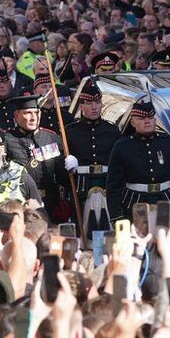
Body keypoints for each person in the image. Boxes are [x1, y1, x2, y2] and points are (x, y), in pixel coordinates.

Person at [106, 95, 170, 222]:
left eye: (150, 117)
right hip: (135, 203)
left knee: (164, 241)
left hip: (165, 201)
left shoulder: (168, 143)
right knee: (139, 241)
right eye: (141, 118)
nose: (147, 121)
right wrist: (117, 217)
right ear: (132, 122)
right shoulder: (122, 146)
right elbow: (113, 186)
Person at [3, 94, 76, 220]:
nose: (33, 118)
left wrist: (72, 170)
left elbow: (63, 179)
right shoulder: (7, 139)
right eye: (27, 113)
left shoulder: (52, 138)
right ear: (16, 115)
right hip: (20, 202)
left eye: (36, 113)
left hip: (50, 204)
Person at [64, 83, 121, 237]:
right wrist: (69, 163)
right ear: (81, 106)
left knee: (109, 228)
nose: (94, 107)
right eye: (89, 103)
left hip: (107, 183)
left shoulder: (112, 130)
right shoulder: (70, 131)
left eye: (97, 102)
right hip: (82, 184)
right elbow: (59, 165)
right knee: (83, 227)